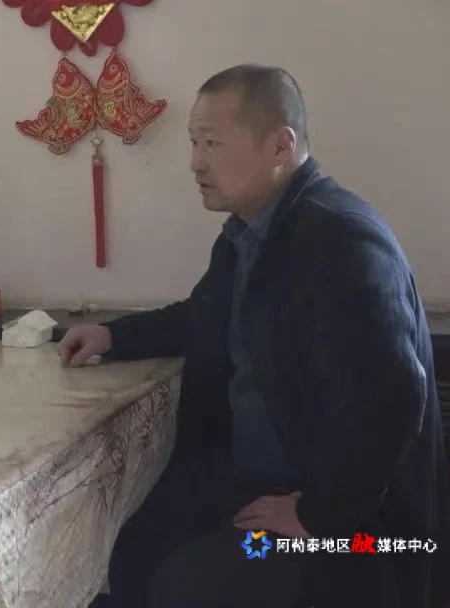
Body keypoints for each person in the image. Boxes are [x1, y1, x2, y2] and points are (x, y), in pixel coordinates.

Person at [61, 65, 448, 607]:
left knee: (189, 584)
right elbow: (202, 315)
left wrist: (317, 514)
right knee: (128, 545)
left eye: (213, 143)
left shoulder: (339, 239)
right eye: (194, 143)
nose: (195, 162)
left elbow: (395, 395)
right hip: (257, 479)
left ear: (280, 146)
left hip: (352, 529)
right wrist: (110, 336)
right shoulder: (249, 232)